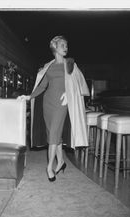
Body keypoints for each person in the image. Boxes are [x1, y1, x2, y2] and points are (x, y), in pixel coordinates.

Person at [18, 35, 90, 182]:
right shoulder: (48, 66)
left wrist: (68, 94)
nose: (66, 47)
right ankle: (61, 161)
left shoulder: (70, 63)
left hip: (62, 104)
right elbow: (43, 86)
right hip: (48, 103)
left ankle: (49, 167)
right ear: (55, 47)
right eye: (62, 45)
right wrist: (29, 96)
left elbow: (77, 84)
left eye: (66, 45)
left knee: (53, 137)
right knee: (53, 135)